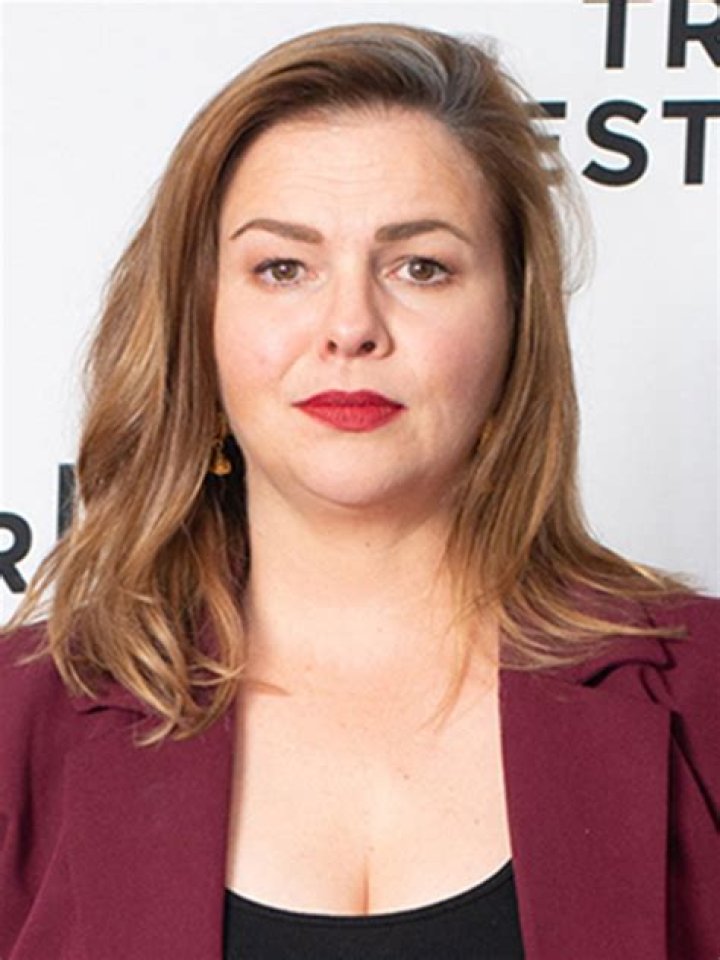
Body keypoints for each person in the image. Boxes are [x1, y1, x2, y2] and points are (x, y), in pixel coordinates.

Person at [1, 21, 717, 960]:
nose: (350, 325)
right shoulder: (19, 724)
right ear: (198, 322)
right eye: (283, 268)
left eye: (421, 266)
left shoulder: (705, 694)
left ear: (515, 322)